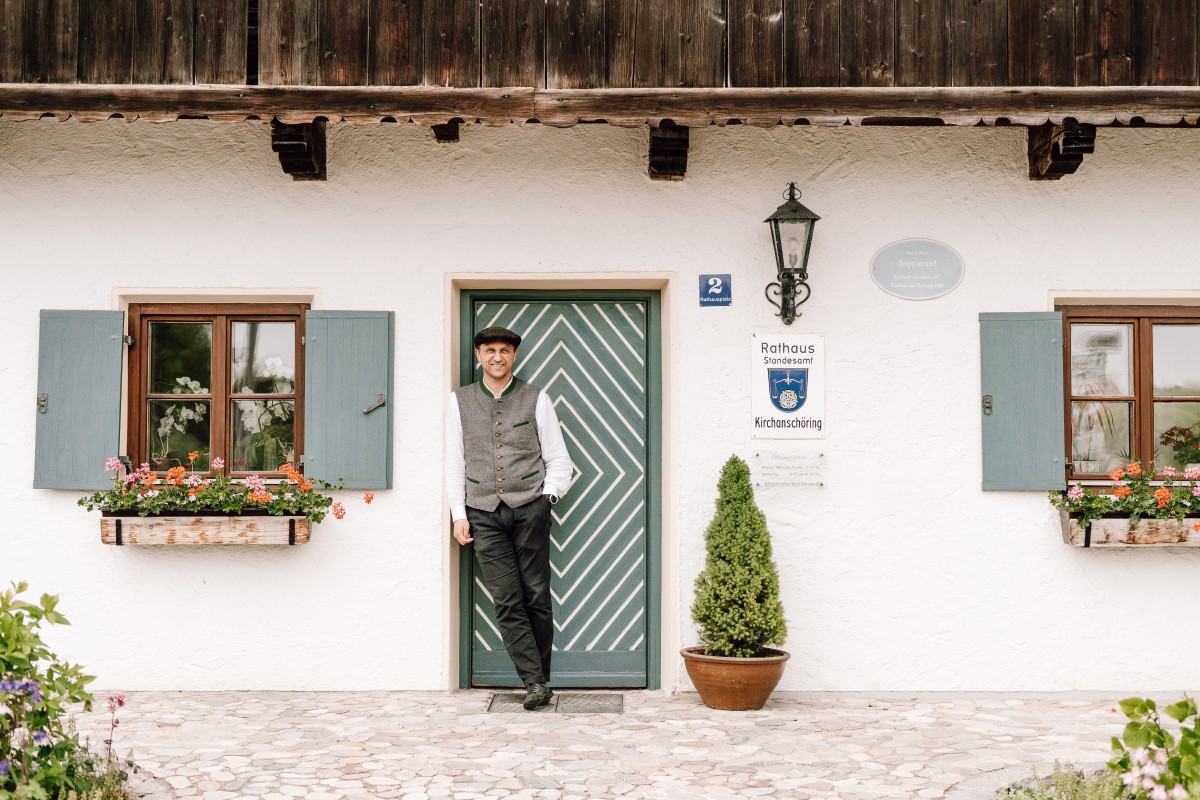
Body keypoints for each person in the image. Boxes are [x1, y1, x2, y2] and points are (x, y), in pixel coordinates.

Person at [445, 326, 573, 710]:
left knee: (535, 594)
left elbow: (558, 458)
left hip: (530, 507)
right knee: (506, 599)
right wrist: (458, 514)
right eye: (489, 350)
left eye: (504, 350)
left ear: (514, 356)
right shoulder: (459, 401)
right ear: (477, 356)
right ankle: (534, 682)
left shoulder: (536, 398)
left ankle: (540, 680)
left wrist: (547, 497)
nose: (497, 357)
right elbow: (454, 461)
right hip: (482, 513)